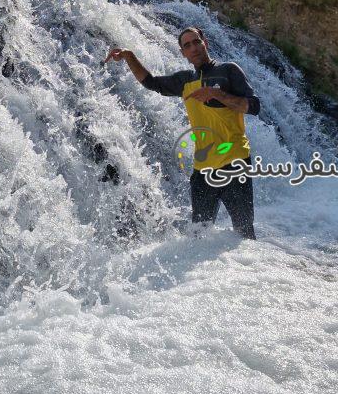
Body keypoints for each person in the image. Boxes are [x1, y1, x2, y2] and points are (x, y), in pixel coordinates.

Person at [104, 26, 260, 239]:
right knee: (199, 237)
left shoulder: (228, 71)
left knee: (244, 234)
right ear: (183, 53)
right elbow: (151, 83)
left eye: (196, 42)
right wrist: (129, 56)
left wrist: (218, 94)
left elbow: (253, 106)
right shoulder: (184, 81)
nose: (193, 48)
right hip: (203, 171)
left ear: (205, 42)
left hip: (235, 164)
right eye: (187, 45)